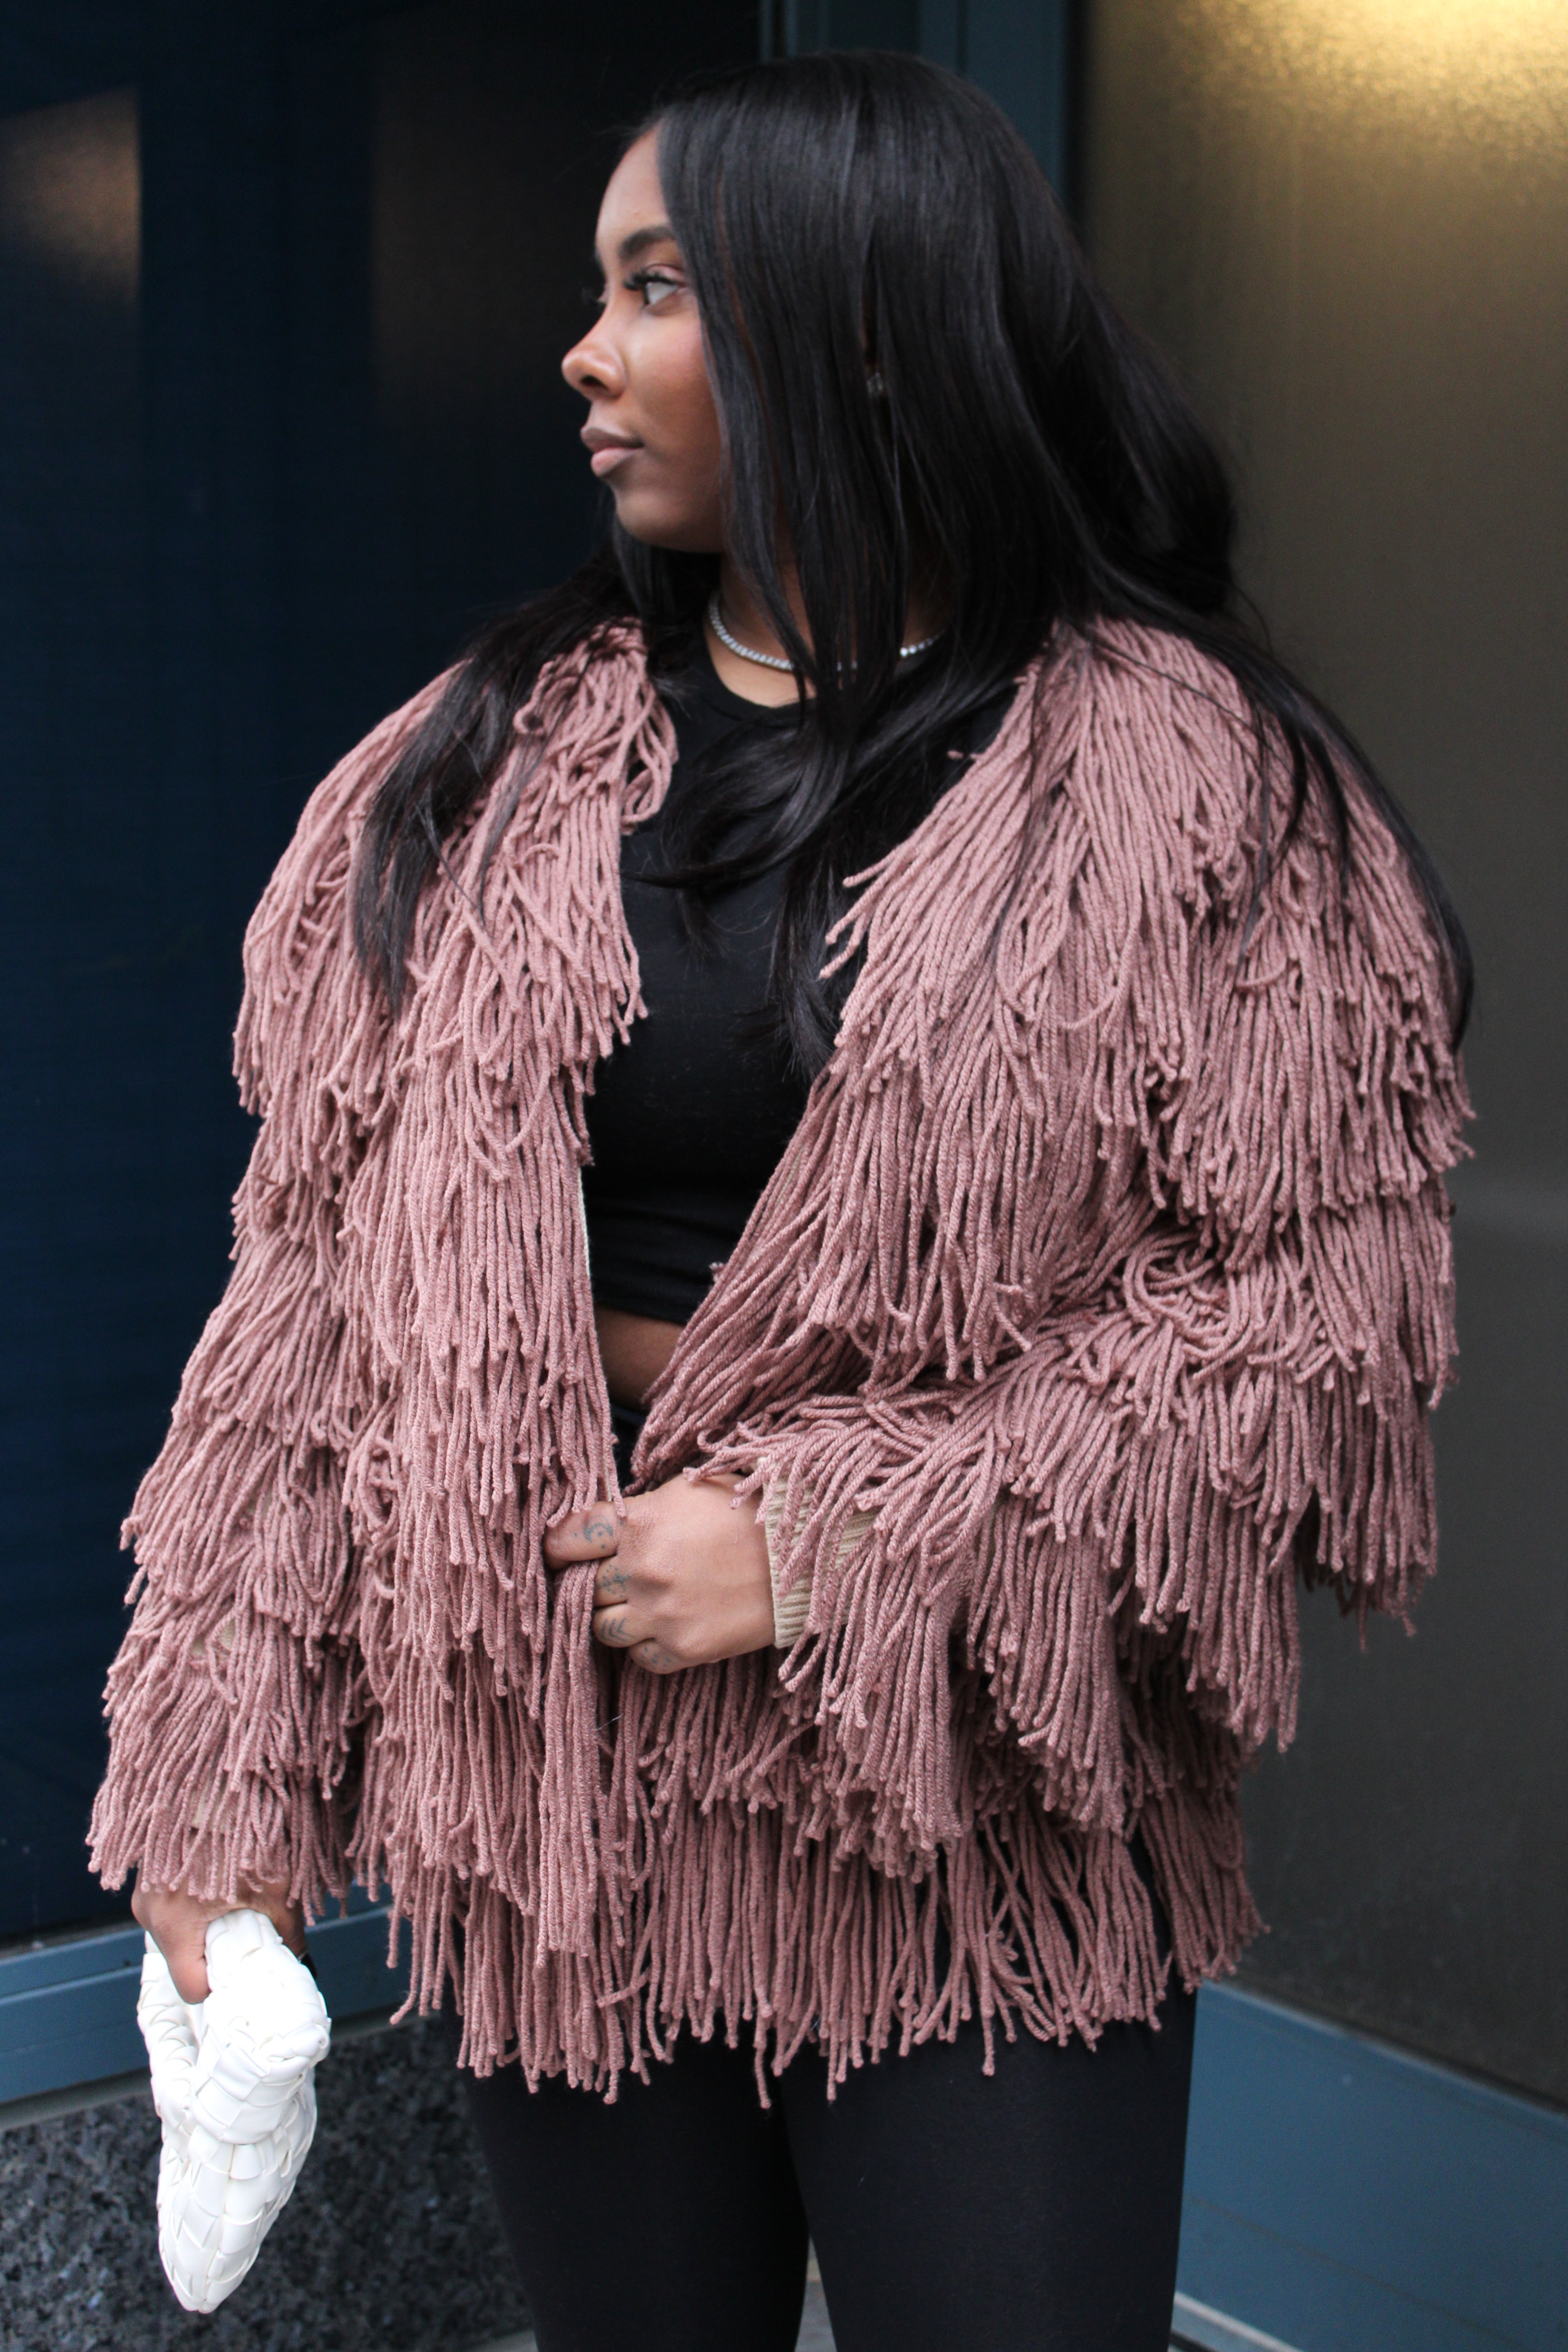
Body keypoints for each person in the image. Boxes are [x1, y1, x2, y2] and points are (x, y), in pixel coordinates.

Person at [92, 50, 1470, 2352]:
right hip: (565, 1799)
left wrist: (835, 1543)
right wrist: (222, 1771)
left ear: (850, 329)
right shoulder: (488, 761)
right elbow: (314, 1298)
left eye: (653, 290)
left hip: (978, 1825)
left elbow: (1311, 1341)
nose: (580, 351)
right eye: (597, 289)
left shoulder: (1184, 785)